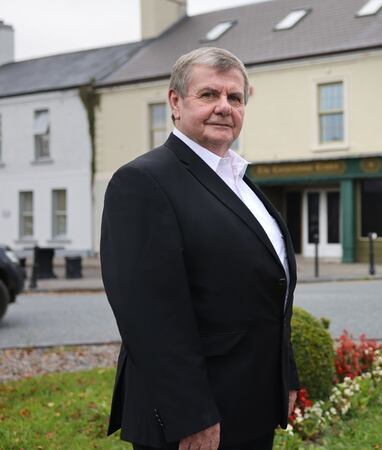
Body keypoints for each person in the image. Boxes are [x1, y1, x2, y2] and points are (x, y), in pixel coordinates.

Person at [101, 47, 299, 450]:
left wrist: (286, 376)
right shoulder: (142, 182)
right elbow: (149, 317)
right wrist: (190, 416)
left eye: (235, 97)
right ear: (175, 102)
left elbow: (268, 290)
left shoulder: (240, 181)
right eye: (209, 95)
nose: (224, 107)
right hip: (195, 421)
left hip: (251, 405)